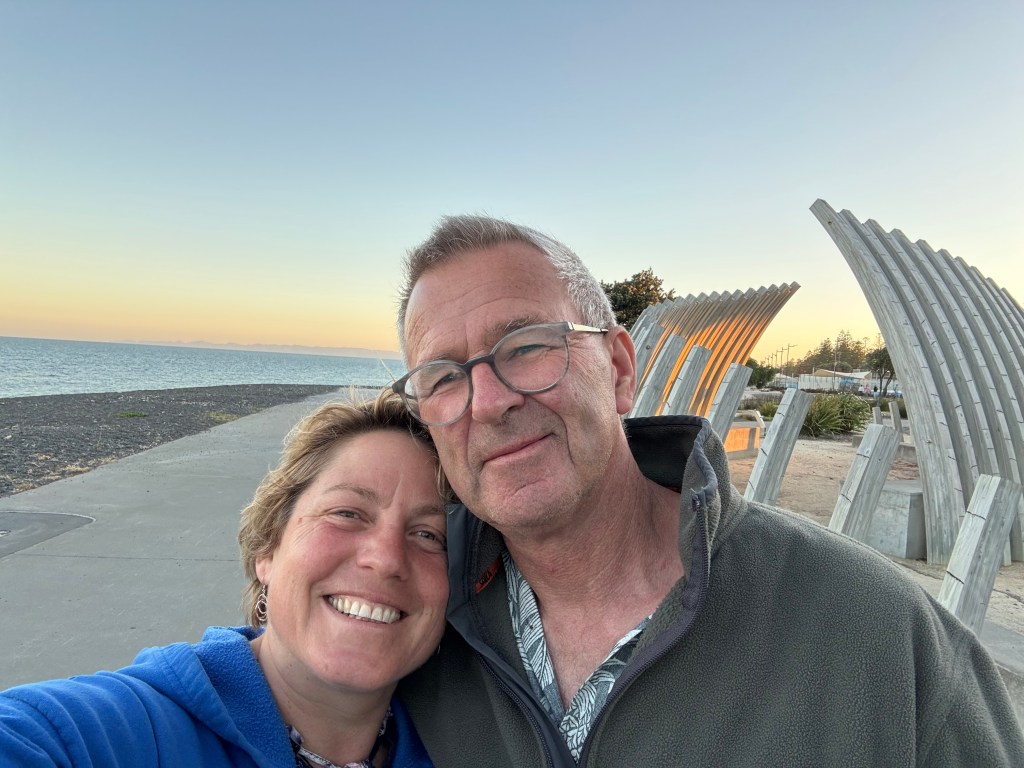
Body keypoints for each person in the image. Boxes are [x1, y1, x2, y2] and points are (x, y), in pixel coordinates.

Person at [391, 215, 1024, 766]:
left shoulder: (881, 639)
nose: (488, 402)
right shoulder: (405, 624)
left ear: (618, 369)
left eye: (526, 346)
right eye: (442, 378)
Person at [0, 391, 449, 767]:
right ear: (267, 550)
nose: (386, 558)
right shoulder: (124, 730)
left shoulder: (465, 743)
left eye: (429, 534)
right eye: (347, 513)